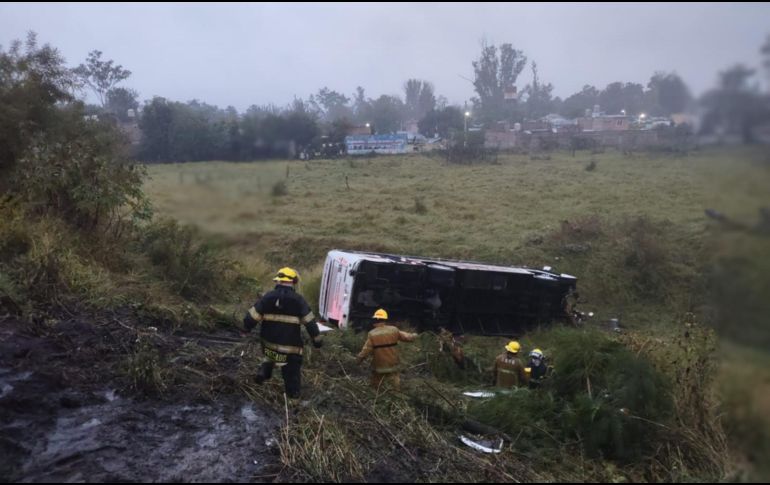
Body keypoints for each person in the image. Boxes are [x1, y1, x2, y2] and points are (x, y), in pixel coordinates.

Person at [243, 267, 322, 399]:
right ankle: (293, 402)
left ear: (278, 281)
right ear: (294, 282)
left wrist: (246, 328)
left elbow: (250, 319)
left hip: (269, 345)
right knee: (292, 375)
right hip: (291, 349)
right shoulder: (299, 300)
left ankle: (265, 371)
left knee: (271, 354)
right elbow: (310, 323)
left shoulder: (268, 297)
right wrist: (317, 340)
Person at [356, 309, 417, 392]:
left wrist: (358, 360)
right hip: (393, 364)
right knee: (395, 385)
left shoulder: (372, 334)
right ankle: (395, 396)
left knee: (375, 387)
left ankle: (376, 397)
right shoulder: (394, 330)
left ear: (376, 320)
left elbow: (366, 351)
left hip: (379, 366)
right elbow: (408, 337)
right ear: (385, 320)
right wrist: (415, 335)